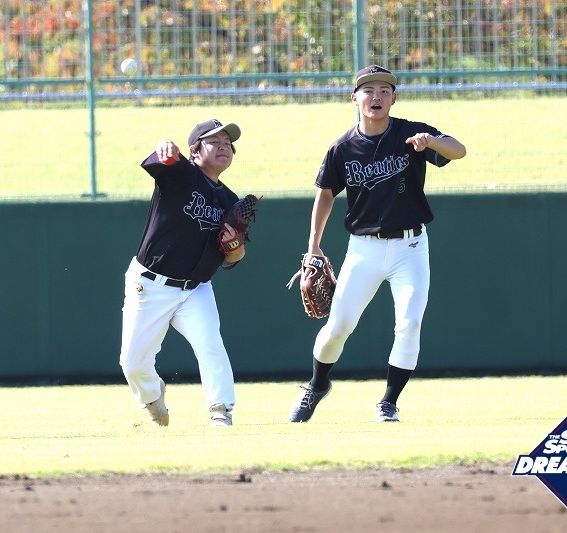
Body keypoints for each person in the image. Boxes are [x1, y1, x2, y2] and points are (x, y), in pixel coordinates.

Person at [288, 65, 466, 423]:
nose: (377, 97)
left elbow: (459, 150)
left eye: (385, 90)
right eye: (368, 90)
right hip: (363, 249)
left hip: (411, 247)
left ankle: (388, 402)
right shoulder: (342, 147)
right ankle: (317, 385)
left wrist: (431, 142)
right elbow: (325, 194)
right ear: (354, 98)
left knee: (410, 323)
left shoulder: (411, 132)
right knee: (339, 326)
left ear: (394, 99)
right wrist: (314, 246)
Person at [119, 119, 247, 427]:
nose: (223, 147)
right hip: (150, 284)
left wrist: (235, 245)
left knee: (210, 343)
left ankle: (221, 410)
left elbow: (235, 257)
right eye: (214, 142)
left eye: (228, 144)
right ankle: (153, 398)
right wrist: (164, 147)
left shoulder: (231, 202)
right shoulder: (180, 174)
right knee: (132, 364)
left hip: (195, 290)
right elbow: (162, 160)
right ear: (195, 150)